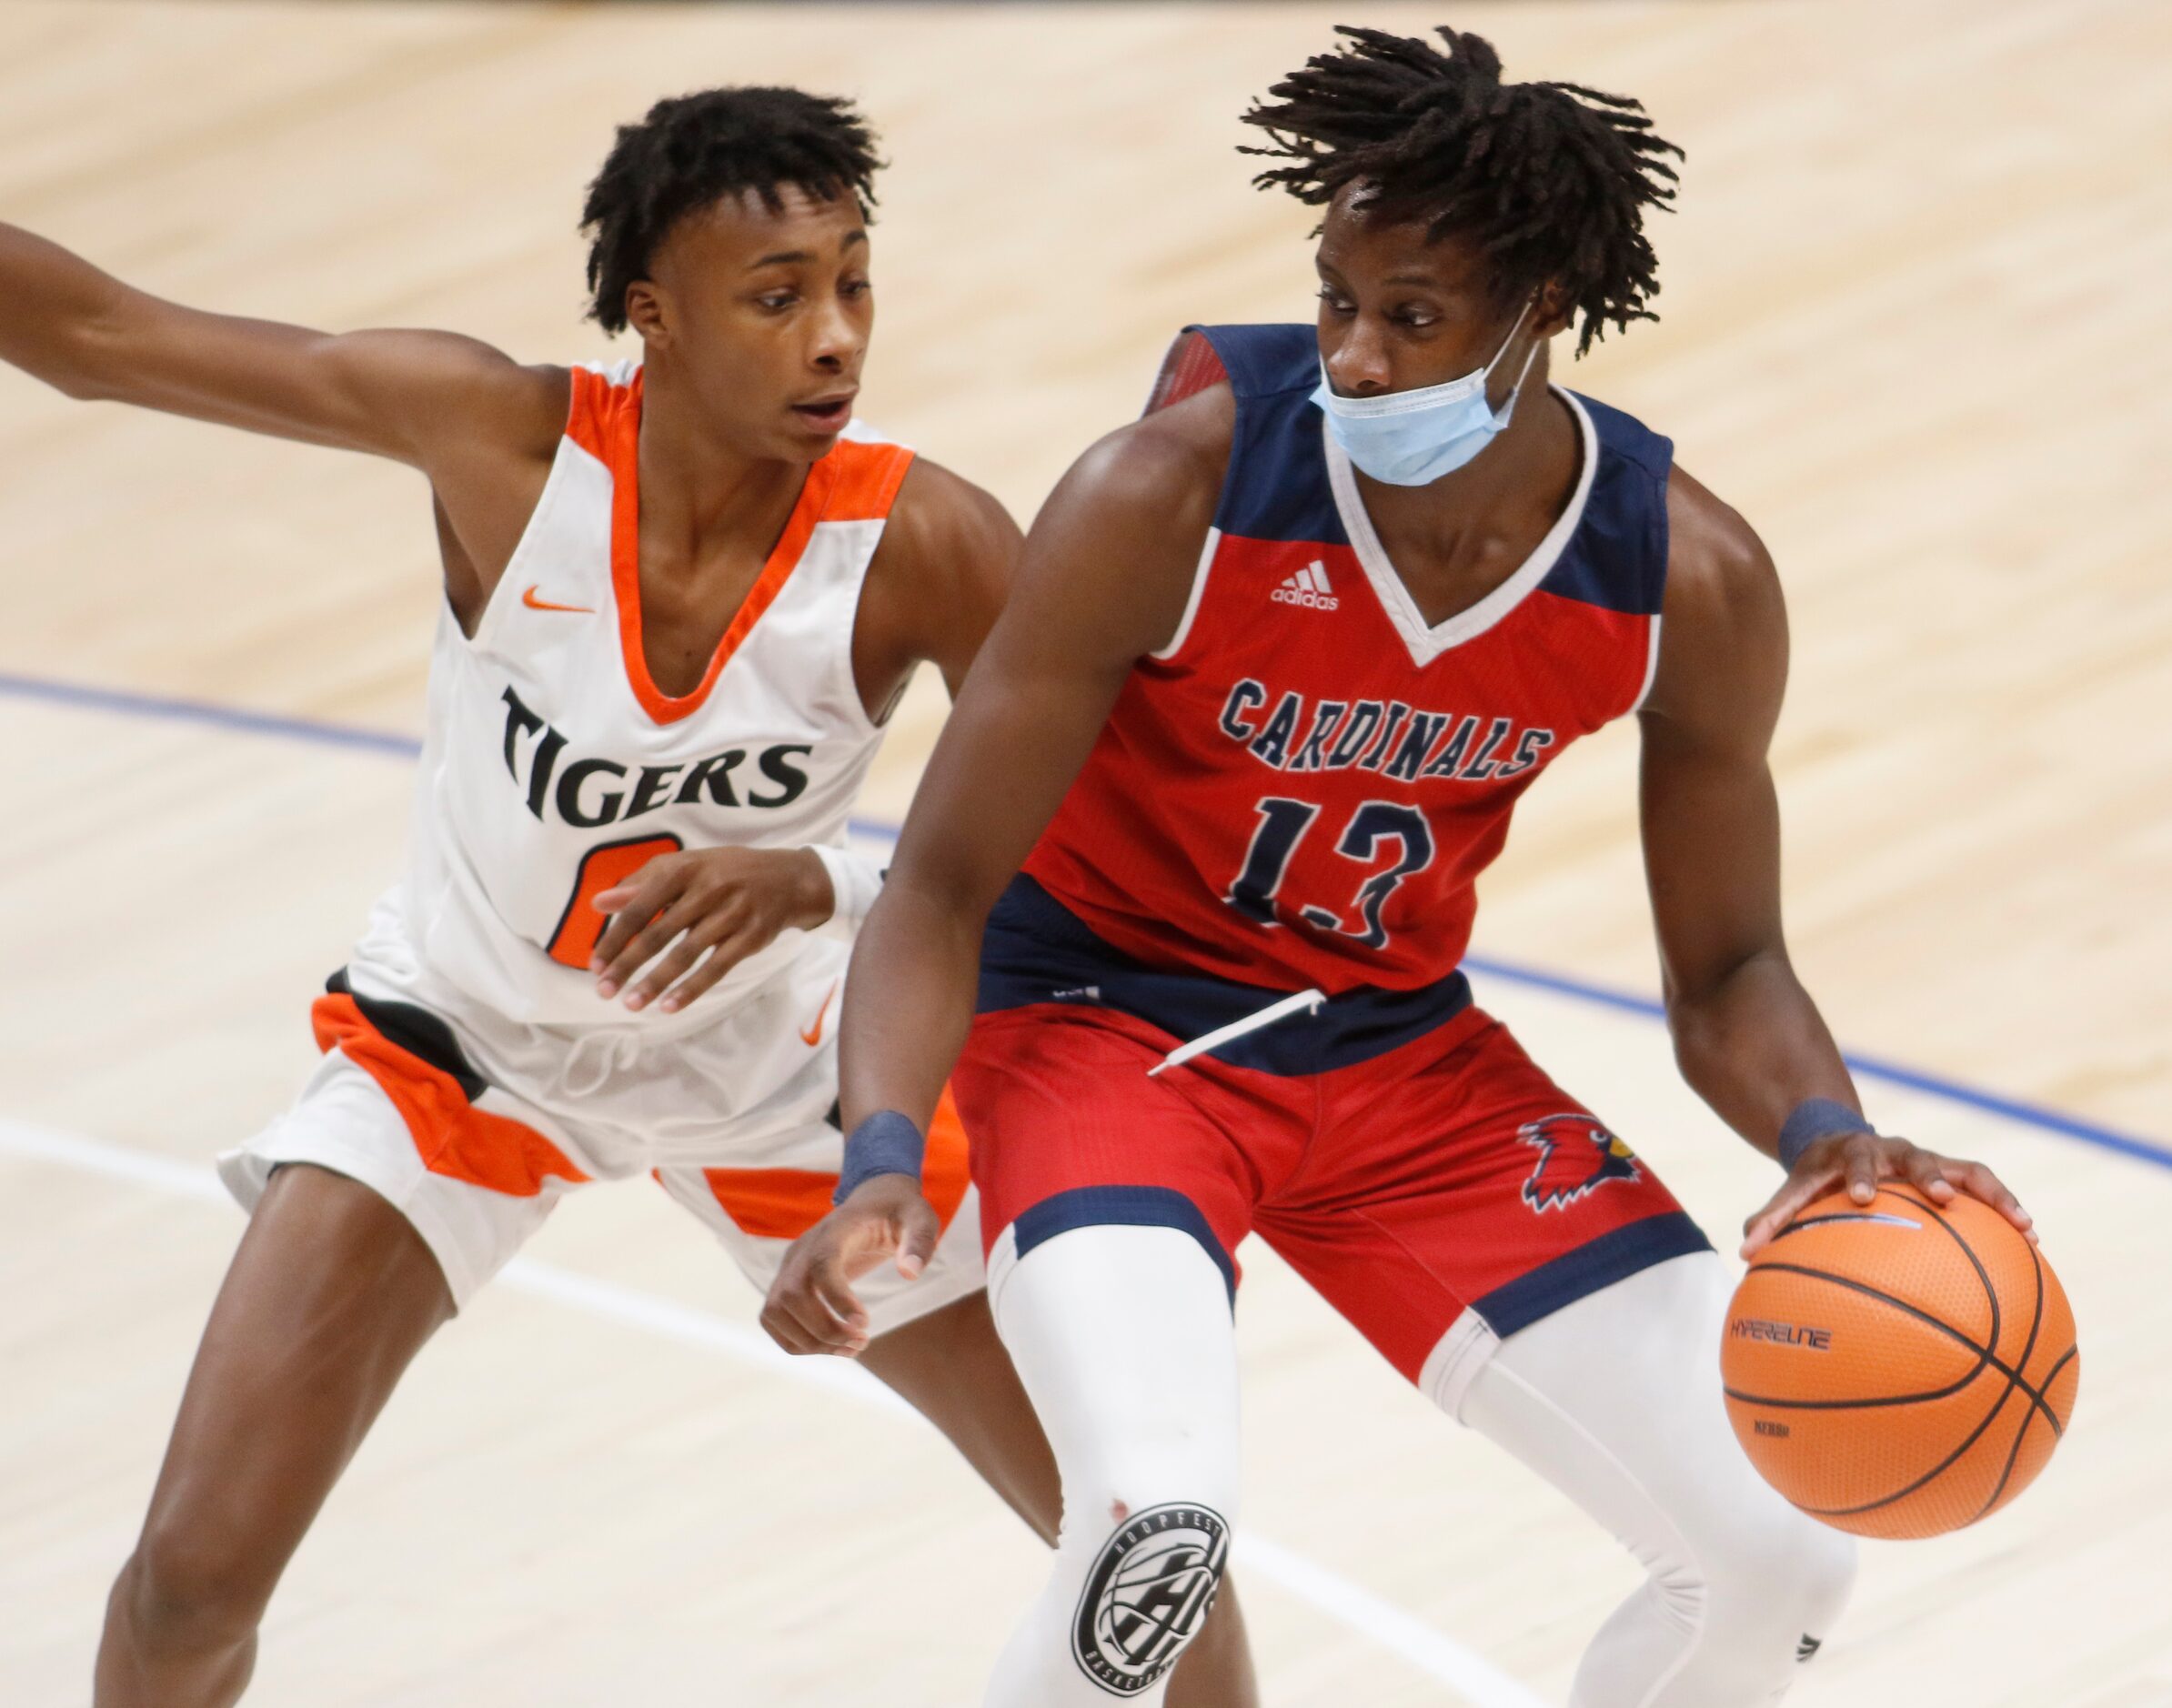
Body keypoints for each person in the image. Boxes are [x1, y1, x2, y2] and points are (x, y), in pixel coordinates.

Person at [767, 28, 2037, 1706]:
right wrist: (877, 1154)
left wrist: (1830, 1133)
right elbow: (932, 888)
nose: (1356, 360)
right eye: (1336, 302)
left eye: (1413, 316)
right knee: (1159, 1530)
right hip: (1103, 1033)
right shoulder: (1173, 490)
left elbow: (1729, 970)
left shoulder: (1686, 578)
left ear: (1542, 316)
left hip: (1397, 1059)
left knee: (1776, 1556)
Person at [0, 86, 1252, 1707]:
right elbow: (100, 333)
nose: (835, 339)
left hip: (783, 1077)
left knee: (1136, 1541)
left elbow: (1118, 844)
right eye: (779, 294)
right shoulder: (496, 440)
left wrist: (824, 878)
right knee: (189, 1583)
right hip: (465, 1049)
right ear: (651, 318)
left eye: (856, 284)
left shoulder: (925, 540)